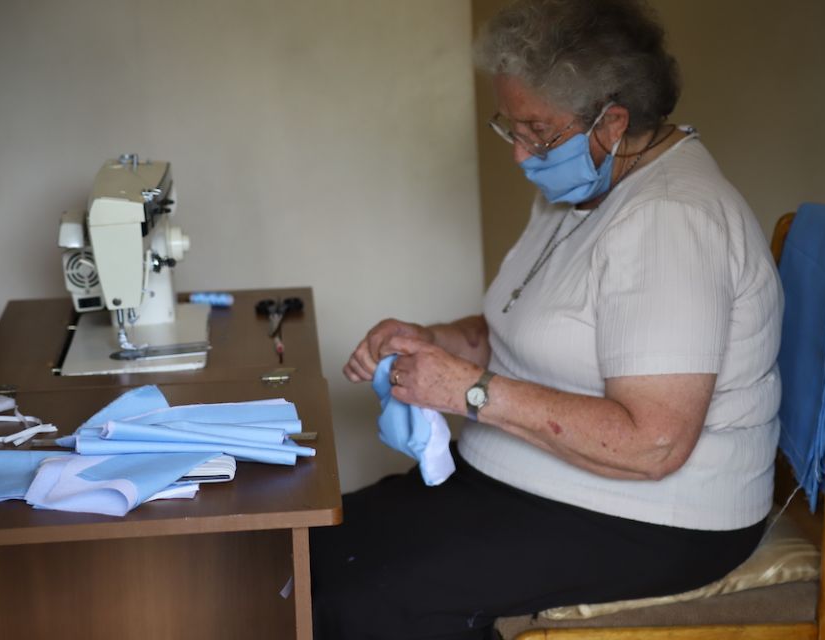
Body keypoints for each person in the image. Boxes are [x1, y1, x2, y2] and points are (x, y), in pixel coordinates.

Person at [310, 0, 783, 637]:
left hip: (654, 517)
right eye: (512, 129)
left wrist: (468, 392)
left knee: (370, 597)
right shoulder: (584, 191)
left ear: (612, 123)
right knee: (315, 545)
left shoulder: (671, 221)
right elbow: (526, 324)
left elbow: (654, 443)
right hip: (532, 478)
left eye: (537, 132)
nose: (520, 155)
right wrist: (438, 342)